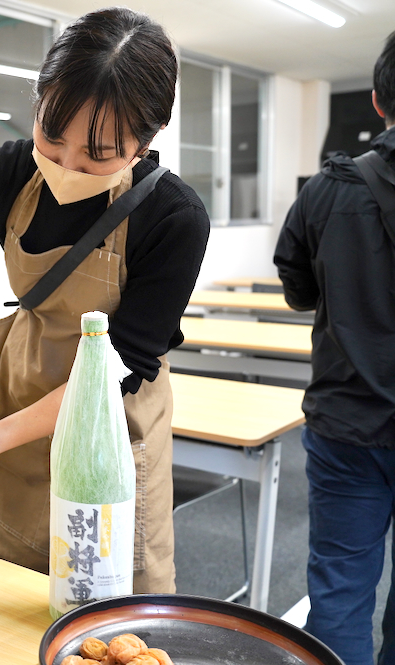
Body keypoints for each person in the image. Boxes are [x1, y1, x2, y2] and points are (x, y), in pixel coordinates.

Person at [0, 7, 210, 593]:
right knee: (20, 581)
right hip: (23, 393)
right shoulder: (11, 171)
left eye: (98, 153)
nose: (66, 165)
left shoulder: (174, 216)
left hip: (109, 418)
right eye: (52, 135)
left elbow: (116, 370)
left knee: (112, 587)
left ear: (147, 141)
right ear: (40, 100)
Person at [274, 31, 395, 665]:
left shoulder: (327, 190)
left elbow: (295, 286)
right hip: (349, 426)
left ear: (378, 101)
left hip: (347, 425)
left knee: (341, 594)